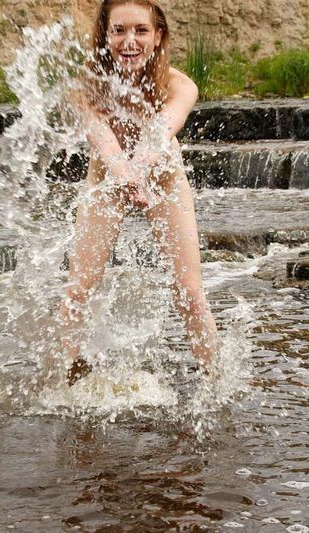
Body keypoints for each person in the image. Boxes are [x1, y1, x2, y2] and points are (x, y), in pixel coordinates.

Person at [60, 0, 220, 385]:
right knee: (78, 288)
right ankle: (58, 385)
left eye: (141, 30)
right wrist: (128, 176)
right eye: (119, 30)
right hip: (107, 182)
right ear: (105, 35)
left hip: (163, 181)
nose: (129, 41)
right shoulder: (85, 88)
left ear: (158, 35)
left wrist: (141, 172)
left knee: (190, 292)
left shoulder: (180, 86)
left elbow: (163, 129)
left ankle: (216, 384)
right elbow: (104, 141)